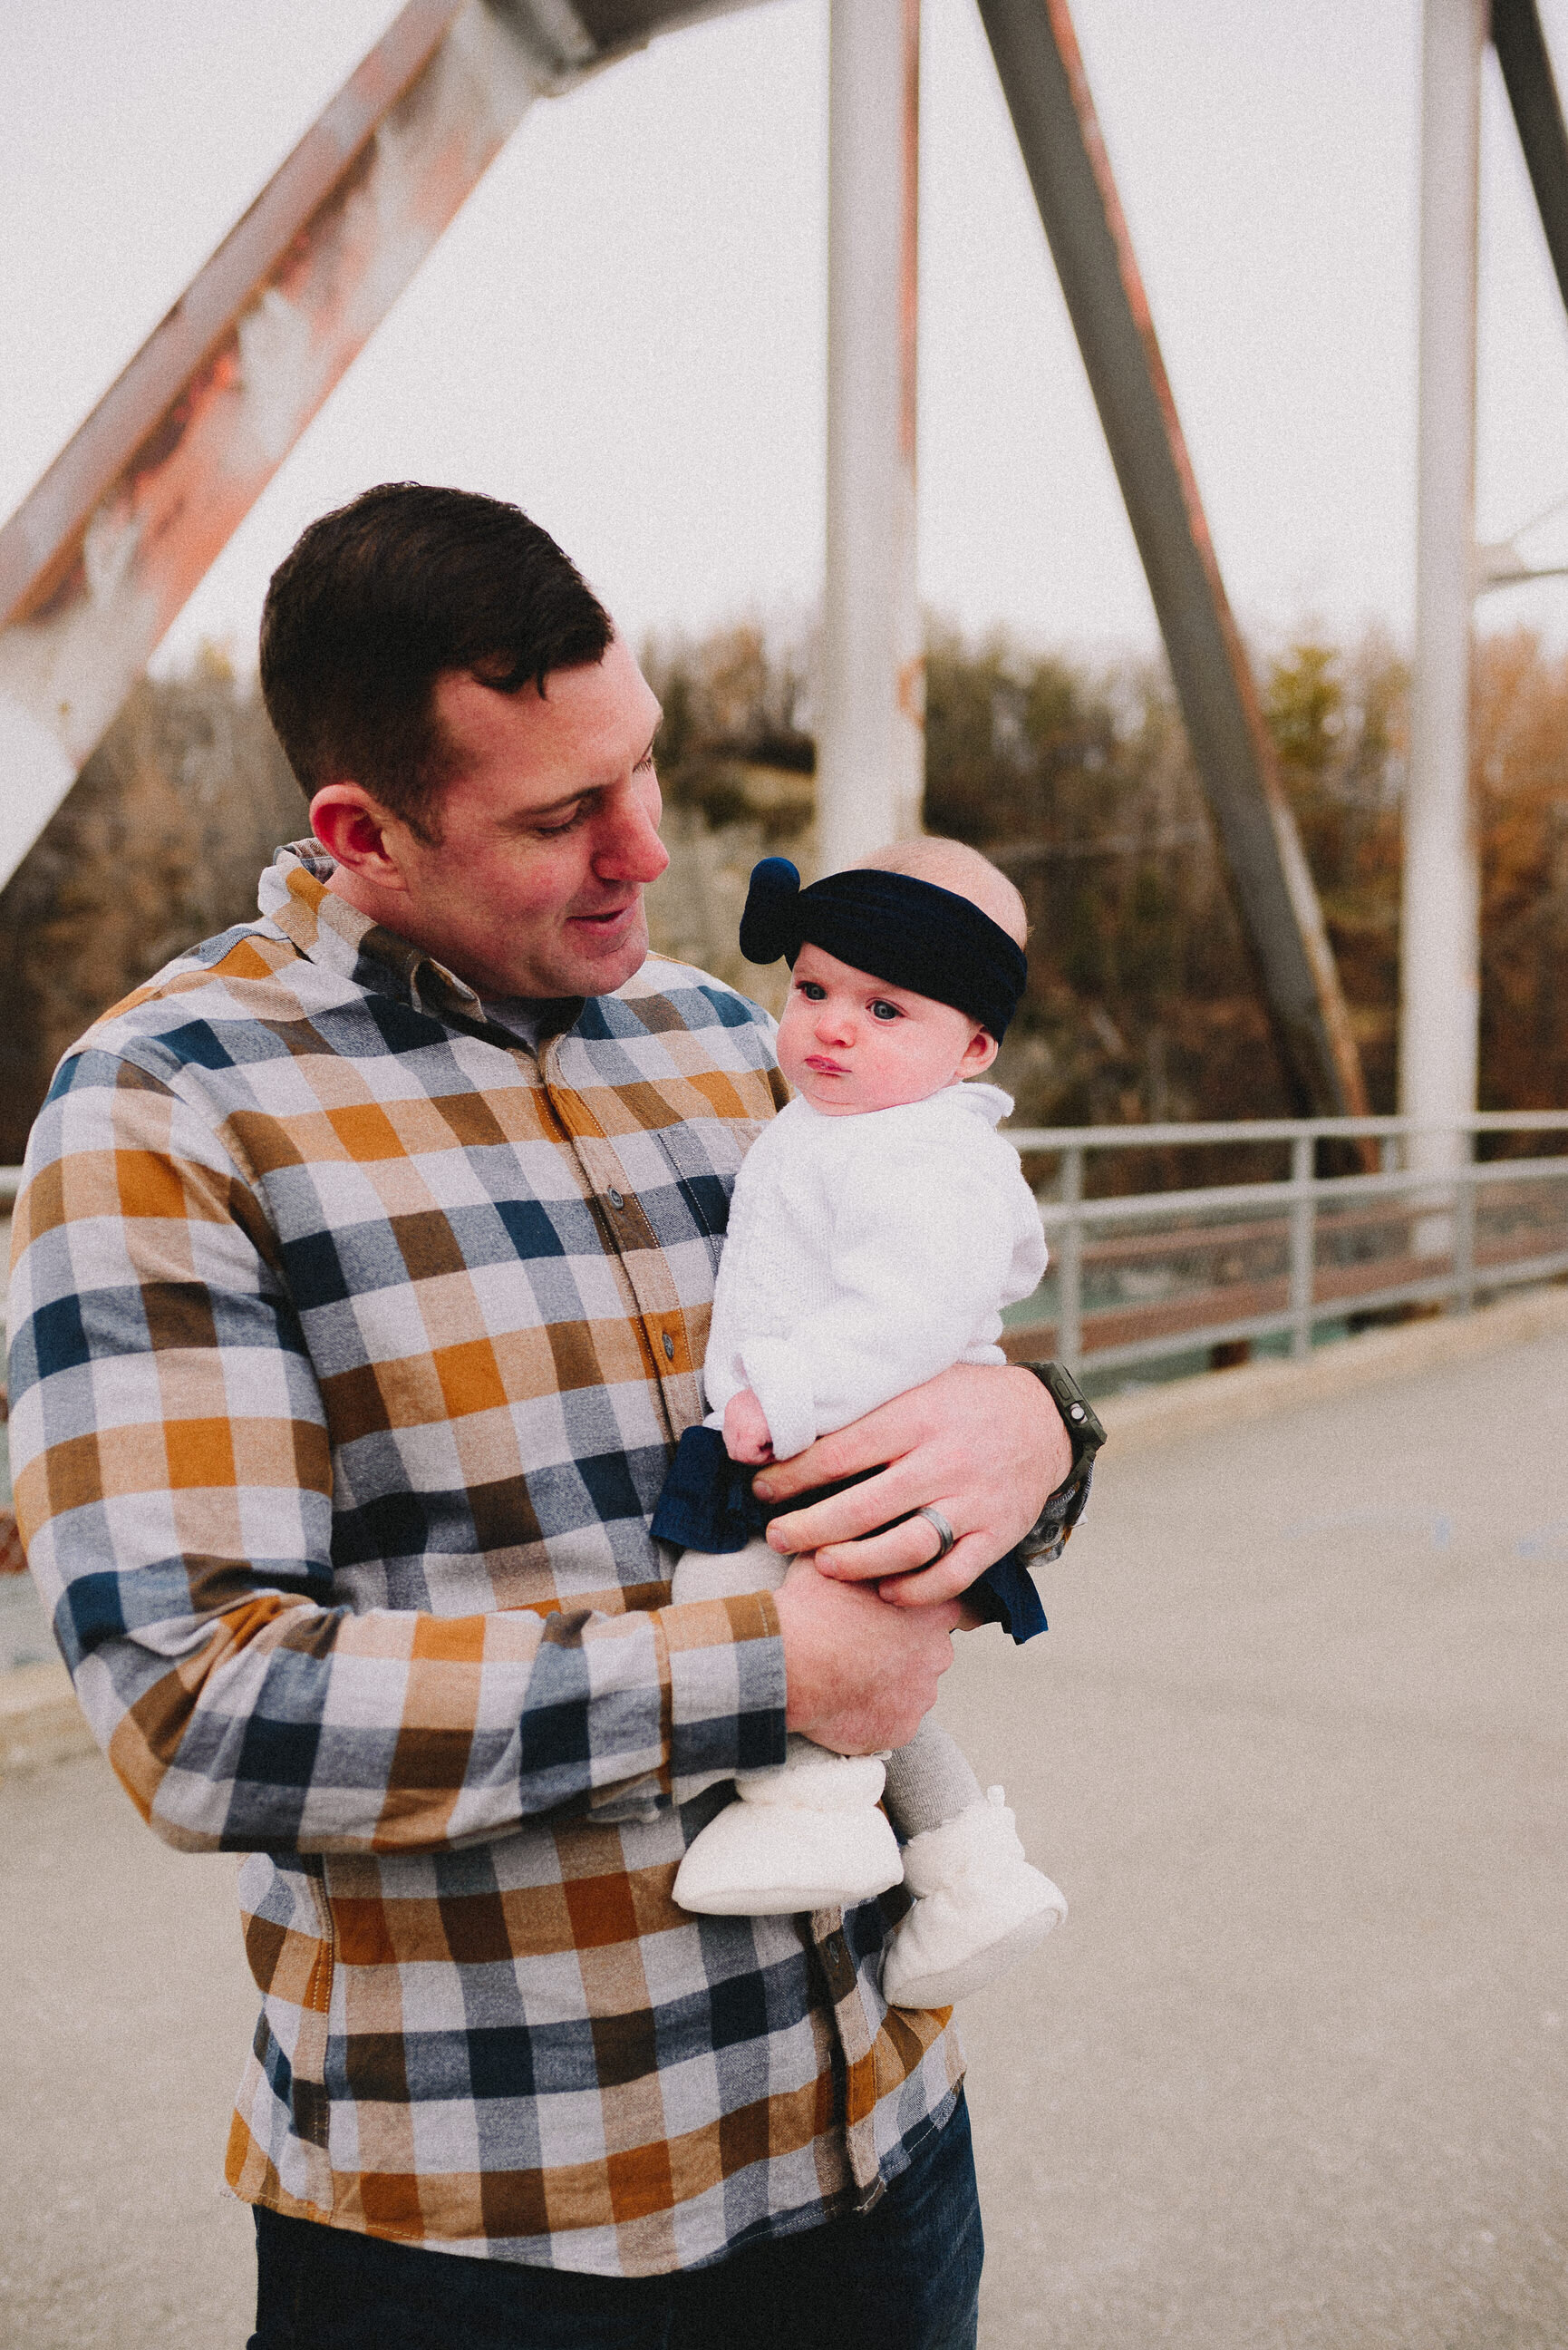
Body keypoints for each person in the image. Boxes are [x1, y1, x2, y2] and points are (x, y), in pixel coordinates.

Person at [7, 482, 1093, 2349]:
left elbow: (919, 1357)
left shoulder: (731, 1042)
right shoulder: (164, 1116)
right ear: (361, 831)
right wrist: (764, 1669)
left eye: (643, 772)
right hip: (495, 2234)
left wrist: (1044, 1431)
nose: (647, 850)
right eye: (558, 816)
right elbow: (199, 1705)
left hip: (877, 2144)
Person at [653, 841, 1068, 2015]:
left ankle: (810, 1812)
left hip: (833, 1436)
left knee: (726, 1606)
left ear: (971, 1047)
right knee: (873, 1680)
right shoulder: (853, 1122)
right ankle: (969, 1872)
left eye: (884, 1008)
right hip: (832, 1435)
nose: (832, 1028)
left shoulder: (914, 1151)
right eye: (815, 991)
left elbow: (909, 1311)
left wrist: (779, 1395)